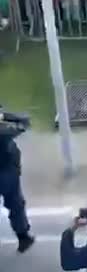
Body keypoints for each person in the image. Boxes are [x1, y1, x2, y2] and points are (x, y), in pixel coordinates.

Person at [0, 107, 36, 253]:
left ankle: (23, 237)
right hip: (6, 170)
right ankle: (23, 237)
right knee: (15, 203)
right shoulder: (4, 133)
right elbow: (21, 125)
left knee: (15, 203)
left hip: (7, 169)